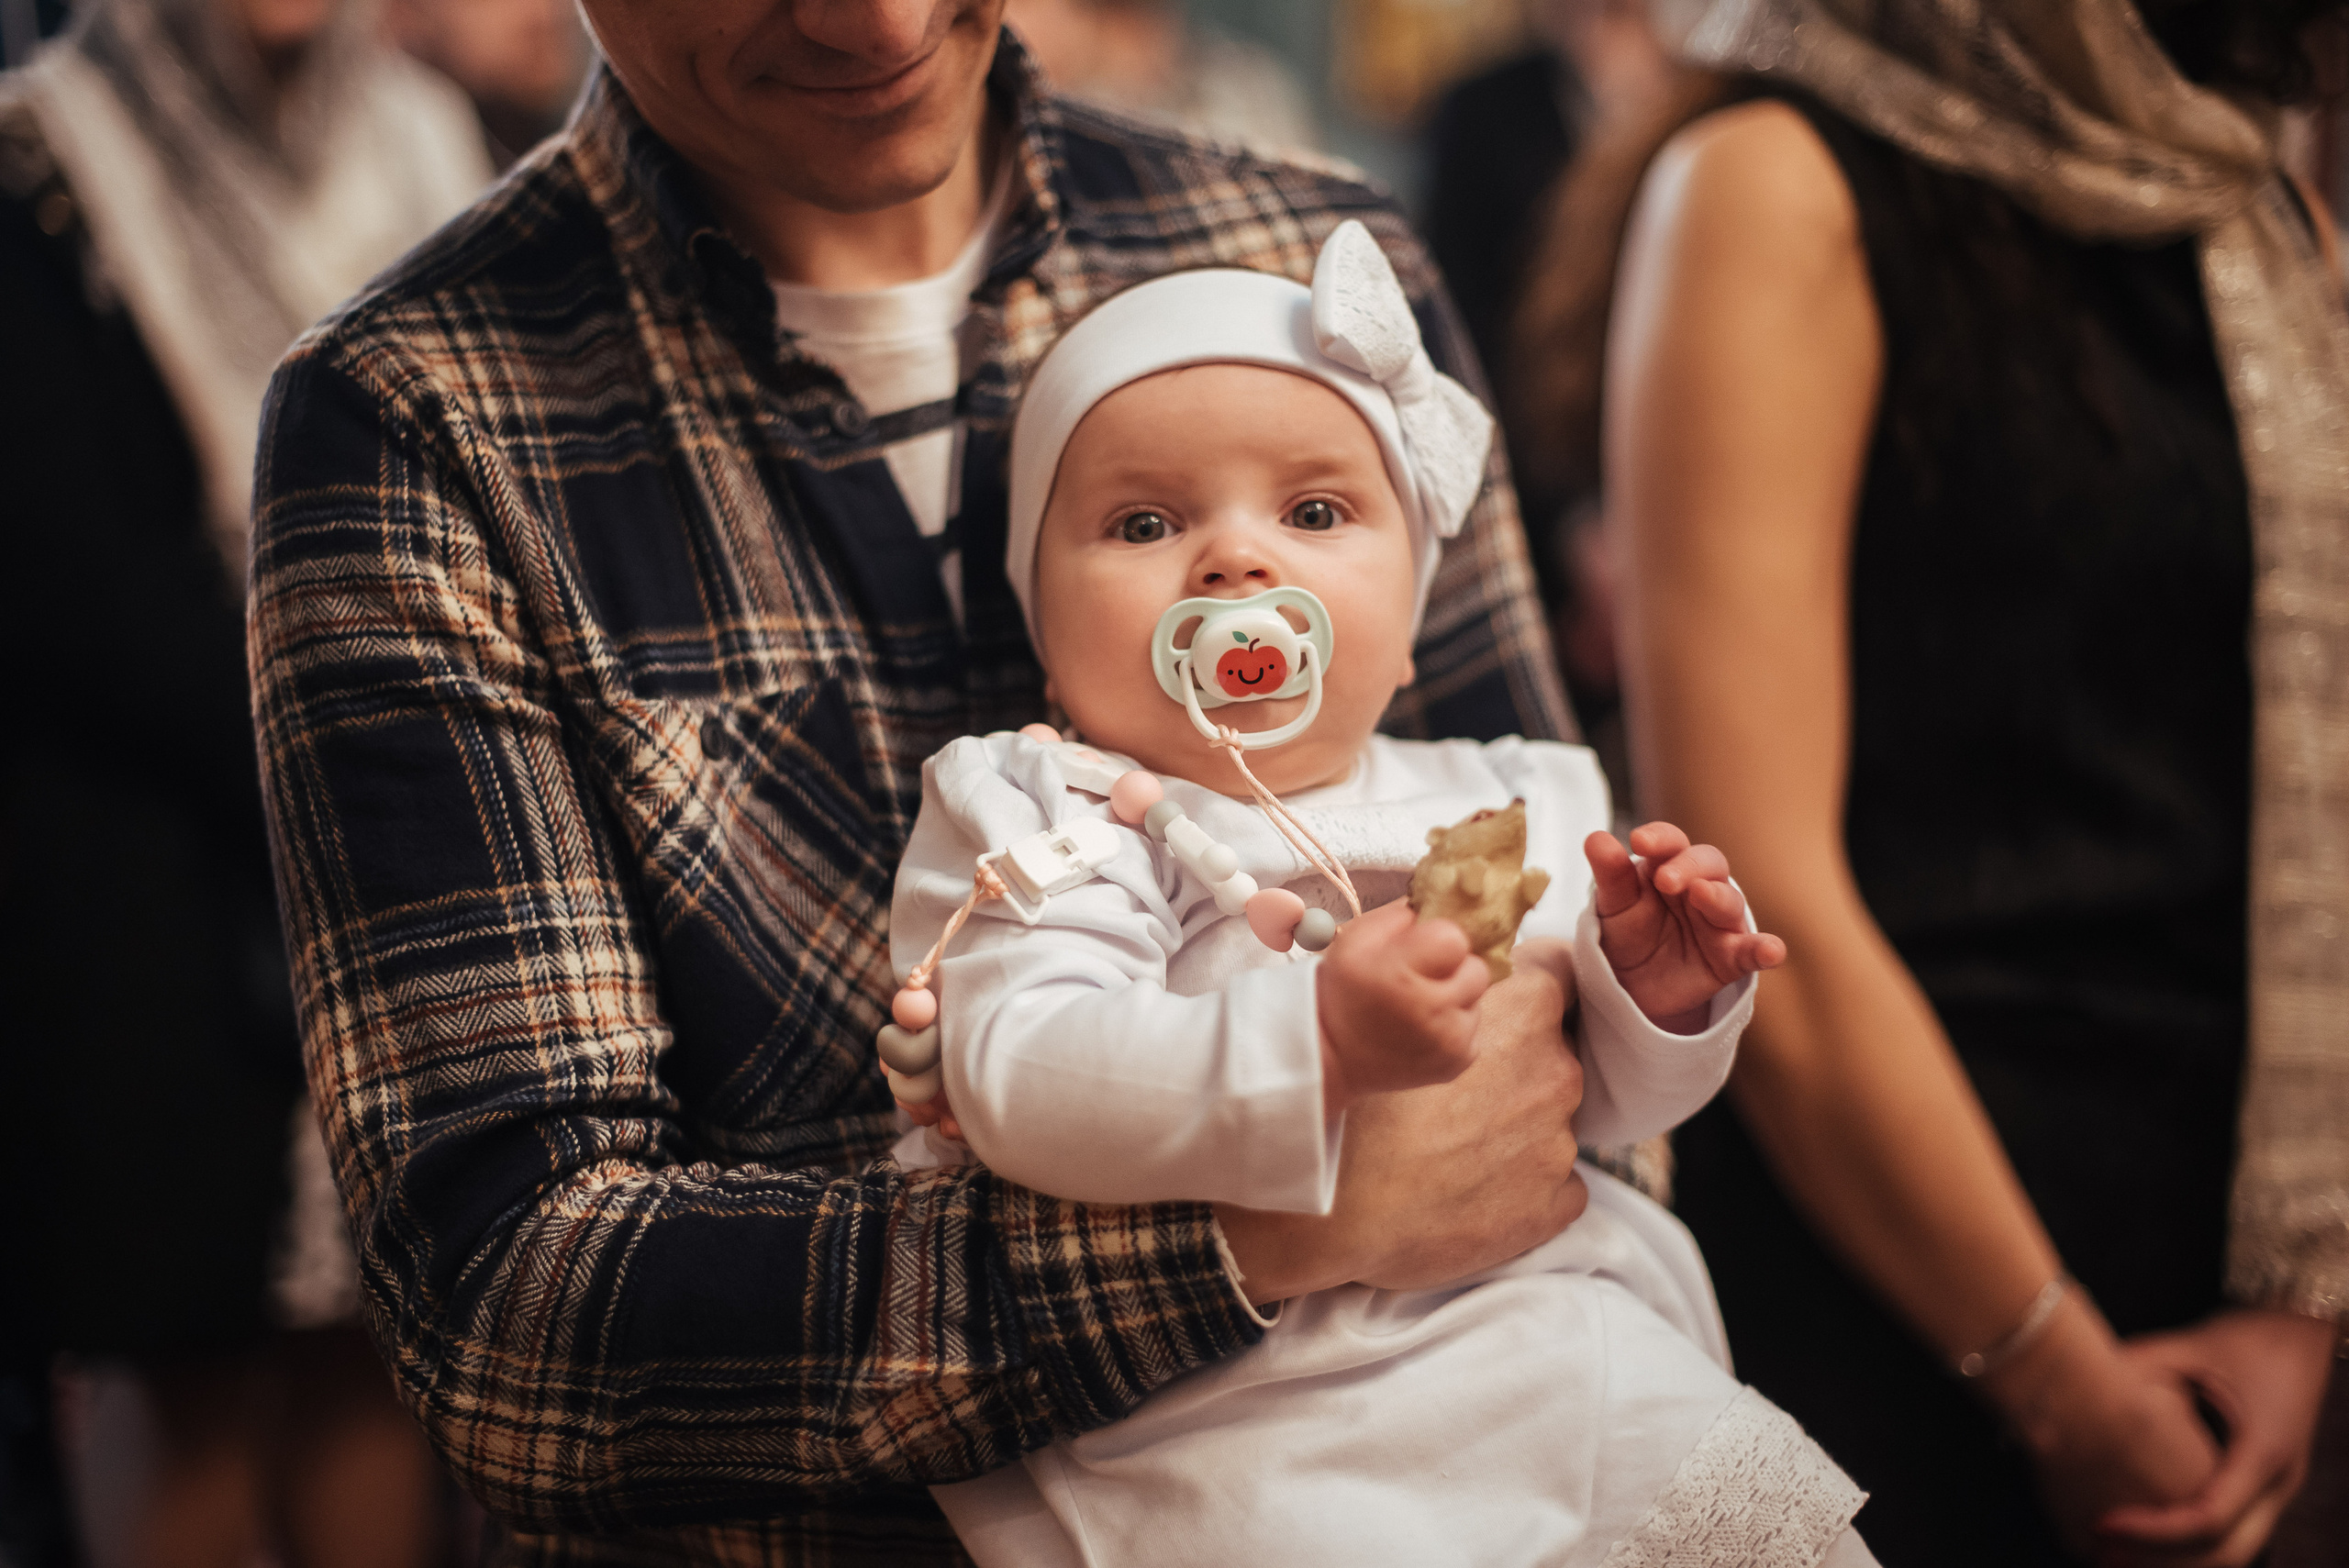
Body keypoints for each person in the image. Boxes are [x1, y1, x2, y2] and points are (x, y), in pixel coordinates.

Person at [245, 3, 1586, 1561]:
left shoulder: (1300, 256)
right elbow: (521, 1324)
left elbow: (1544, 954)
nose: (873, 18)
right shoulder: (422, 416)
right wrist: (1267, 1223)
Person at [874, 221, 1870, 1568]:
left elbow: (1587, 1109)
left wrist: (1658, 998)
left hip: (1536, 1334)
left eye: (1315, 512)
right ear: (1046, 633)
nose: (1236, 563)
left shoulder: (1507, 796)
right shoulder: (1049, 811)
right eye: (1146, 522)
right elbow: (1024, 1068)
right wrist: (1317, 1045)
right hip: (1233, 1408)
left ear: (1407, 622)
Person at [1514, 0, 2347, 1562]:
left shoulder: (2245, 198)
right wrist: (2060, 1380)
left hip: (2220, 1254)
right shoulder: (1780, 181)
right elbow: (1758, 879)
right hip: (1907, 1273)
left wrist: (2293, 1301)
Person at [0, 0, 489, 1563]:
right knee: (186, 1348)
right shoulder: (42, 154)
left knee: (378, 1344)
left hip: (413, 849)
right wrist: (339, 737)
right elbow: (61, 574)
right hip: (152, 872)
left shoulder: (424, 138)